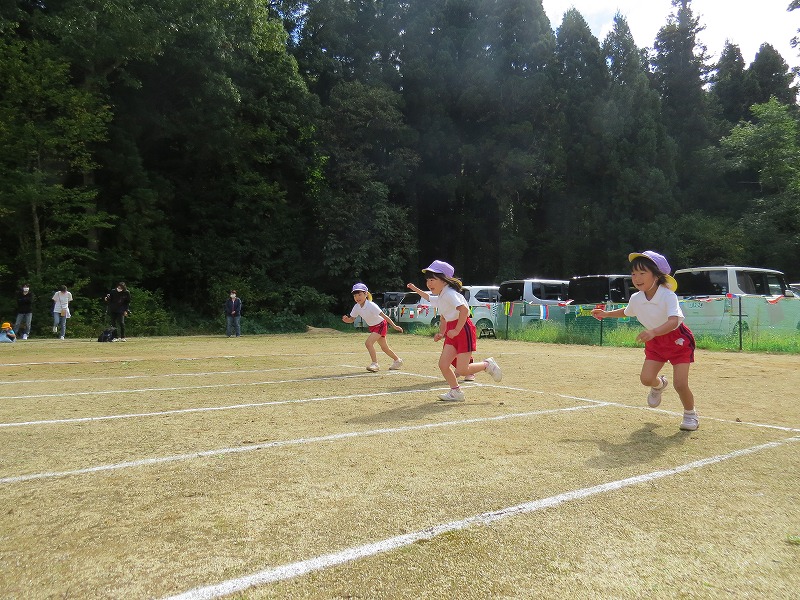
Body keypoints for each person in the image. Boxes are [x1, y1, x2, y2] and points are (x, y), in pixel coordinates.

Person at [592, 251, 698, 431]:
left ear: (657, 276)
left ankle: (690, 414)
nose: (637, 278)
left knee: (680, 384)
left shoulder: (668, 295)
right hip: (655, 342)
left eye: (642, 273)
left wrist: (653, 331)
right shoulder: (636, 298)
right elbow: (627, 311)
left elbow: (674, 321)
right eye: (634, 273)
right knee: (646, 379)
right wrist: (606, 314)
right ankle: (660, 385)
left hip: (678, 340)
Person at [407, 260, 502, 402]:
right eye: (427, 280)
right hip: (453, 330)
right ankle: (456, 392)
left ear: (444, 280)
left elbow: (464, 310)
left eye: (432, 280)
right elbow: (441, 313)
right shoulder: (442, 295)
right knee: (443, 365)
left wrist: (457, 330)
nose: (429, 283)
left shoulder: (450, 294)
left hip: (463, 329)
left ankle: (487, 365)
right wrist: (442, 333)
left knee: (462, 370)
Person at [342, 283, 404, 372]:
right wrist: (346, 320)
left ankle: (375, 364)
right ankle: (398, 361)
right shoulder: (356, 307)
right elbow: (351, 319)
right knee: (384, 348)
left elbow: (384, 316)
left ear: (366, 294)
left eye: (359, 294)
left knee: (368, 343)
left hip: (381, 325)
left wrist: (394, 326)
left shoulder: (371, 305)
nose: (357, 297)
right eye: (355, 295)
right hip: (373, 327)